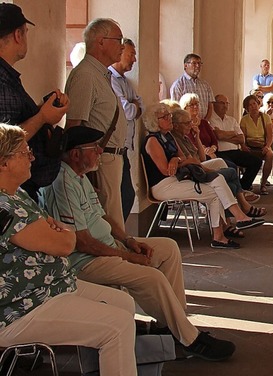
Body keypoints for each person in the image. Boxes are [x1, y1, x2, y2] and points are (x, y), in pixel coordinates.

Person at [43, 125, 237, 362]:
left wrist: (128, 240)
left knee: (168, 248)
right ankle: (190, 340)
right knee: (150, 277)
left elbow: (103, 216)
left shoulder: (80, 177)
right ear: (75, 154)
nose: (100, 152)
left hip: (107, 247)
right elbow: (83, 242)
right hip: (86, 261)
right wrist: (127, 256)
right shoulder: (63, 182)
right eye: (94, 148)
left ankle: (172, 327)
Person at [0, 123, 137, 376]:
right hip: (22, 306)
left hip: (49, 288)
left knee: (124, 303)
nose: (32, 157)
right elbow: (65, 244)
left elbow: (56, 232)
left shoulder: (17, 194)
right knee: (117, 326)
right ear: (4, 163)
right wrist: (59, 231)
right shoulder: (5, 207)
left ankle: (103, 366)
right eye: (24, 153)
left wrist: (56, 229)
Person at [141, 103, 264, 249]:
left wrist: (177, 160)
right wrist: (179, 160)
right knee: (214, 191)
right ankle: (226, 229)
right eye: (165, 117)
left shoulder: (168, 137)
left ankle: (230, 225)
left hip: (179, 179)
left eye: (169, 115)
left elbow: (183, 157)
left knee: (217, 182)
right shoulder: (152, 141)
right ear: (155, 122)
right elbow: (166, 171)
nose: (169, 119)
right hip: (164, 185)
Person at [0, 3, 70, 201]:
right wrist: (42, 117)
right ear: (18, 35)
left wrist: (43, 110)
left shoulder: (8, 76)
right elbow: (4, 138)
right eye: (26, 33)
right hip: (11, 192)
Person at [65, 18, 129, 232]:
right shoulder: (86, 75)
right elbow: (74, 125)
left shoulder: (100, 74)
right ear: (101, 42)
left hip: (110, 157)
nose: (122, 46)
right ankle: (114, 263)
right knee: (110, 223)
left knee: (115, 217)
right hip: (100, 159)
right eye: (118, 39)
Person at [170, 107, 266, 220]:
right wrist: (210, 170)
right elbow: (194, 161)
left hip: (200, 165)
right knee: (230, 173)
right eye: (187, 123)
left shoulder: (185, 137)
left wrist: (197, 138)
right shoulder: (176, 139)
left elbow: (201, 156)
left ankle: (234, 216)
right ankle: (241, 210)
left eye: (190, 122)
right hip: (194, 172)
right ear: (176, 125)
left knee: (231, 175)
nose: (190, 125)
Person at [109, 38, 143, 221]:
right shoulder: (110, 79)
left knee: (127, 195)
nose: (134, 59)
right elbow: (128, 111)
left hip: (123, 147)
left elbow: (140, 106)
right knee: (119, 196)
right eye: (131, 54)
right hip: (112, 147)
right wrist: (133, 105)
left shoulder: (126, 82)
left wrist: (134, 105)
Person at [211, 94, 263, 192]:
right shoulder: (211, 120)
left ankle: (242, 188)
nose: (225, 105)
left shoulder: (232, 120)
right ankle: (237, 191)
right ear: (214, 104)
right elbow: (219, 136)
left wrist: (224, 136)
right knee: (231, 167)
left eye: (227, 103)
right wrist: (233, 134)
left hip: (235, 151)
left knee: (256, 162)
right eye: (222, 103)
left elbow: (241, 139)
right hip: (220, 152)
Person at [240, 94, 273, 195]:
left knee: (270, 155)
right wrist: (243, 146)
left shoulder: (265, 117)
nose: (253, 106)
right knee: (241, 156)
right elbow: (243, 137)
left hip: (262, 145)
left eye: (254, 104)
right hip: (250, 145)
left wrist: (267, 146)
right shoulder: (244, 120)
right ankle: (248, 181)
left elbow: (270, 136)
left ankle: (263, 183)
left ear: (258, 104)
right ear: (246, 108)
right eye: (250, 105)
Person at [170, 53, 214, 122]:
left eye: (199, 63)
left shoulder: (205, 85)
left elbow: (210, 106)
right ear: (185, 66)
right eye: (194, 63)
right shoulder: (178, 85)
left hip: (203, 123)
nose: (197, 66)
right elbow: (176, 108)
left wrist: (205, 122)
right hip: (186, 124)